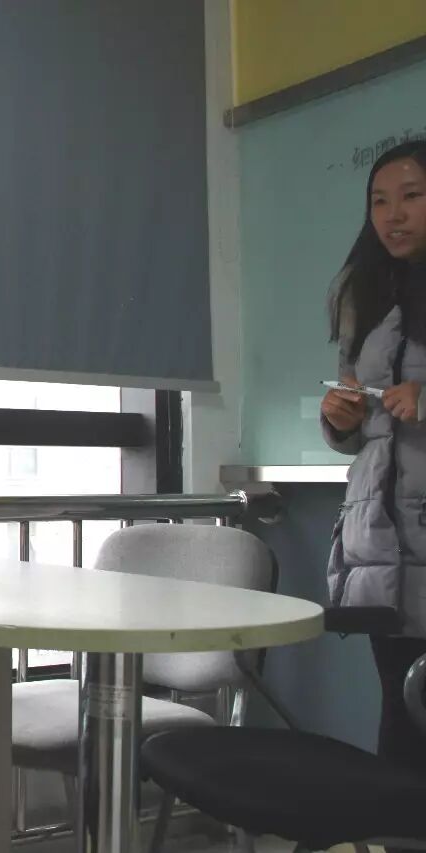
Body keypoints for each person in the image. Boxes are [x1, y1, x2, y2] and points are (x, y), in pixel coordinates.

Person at [322, 139, 426, 774]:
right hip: (380, 539)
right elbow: (359, 421)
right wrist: (341, 420)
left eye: (412, 196)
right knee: (399, 710)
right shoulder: (366, 295)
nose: (394, 214)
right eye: (380, 202)